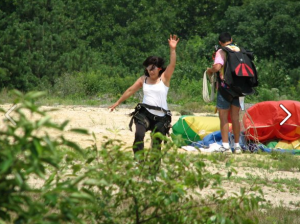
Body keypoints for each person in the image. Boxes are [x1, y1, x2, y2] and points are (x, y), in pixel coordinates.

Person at [109, 34, 179, 161]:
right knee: (139, 134)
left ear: (159, 69)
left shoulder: (164, 78)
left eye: (153, 68)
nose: (150, 71)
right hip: (145, 113)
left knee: (157, 143)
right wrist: (117, 102)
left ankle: (154, 170)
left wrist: (172, 49)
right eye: (148, 68)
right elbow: (130, 90)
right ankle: (138, 162)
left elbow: (172, 65)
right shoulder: (143, 80)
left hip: (161, 116)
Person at [206, 32, 242, 154]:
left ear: (220, 43)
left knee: (223, 118)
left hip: (224, 88)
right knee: (236, 118)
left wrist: (209, 71)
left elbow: (217, 67)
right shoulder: (238, 50)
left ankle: (225, 146)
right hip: (238, 89)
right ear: (231, 39)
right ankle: (237, 146)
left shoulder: (221, 51)